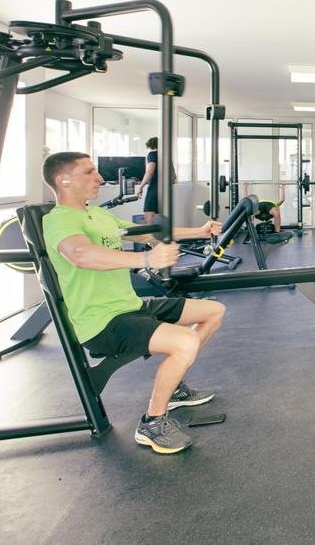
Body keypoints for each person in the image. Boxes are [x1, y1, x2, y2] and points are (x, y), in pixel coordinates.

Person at [42, 151, 226, 455]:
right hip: (102, 322)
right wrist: (146, 259)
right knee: (185, 341)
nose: (99, 178)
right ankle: (152, 422)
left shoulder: (98, 215)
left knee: (213, 311)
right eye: (89, 172)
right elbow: (80, 254)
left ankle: (174, 387)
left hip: (130, 307)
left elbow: (147, 233)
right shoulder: (59, 219)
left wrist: (199, 230)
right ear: (63, 180)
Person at [137, 136, 176, 224]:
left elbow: (150, 172)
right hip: (166, 191)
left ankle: (149, 233)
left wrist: (141, 186)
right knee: (163, 221)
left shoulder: (152, 154)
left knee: (149, 219)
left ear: (150, 145)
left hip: (154, 190)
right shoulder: (167, 156)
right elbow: (174, 176)